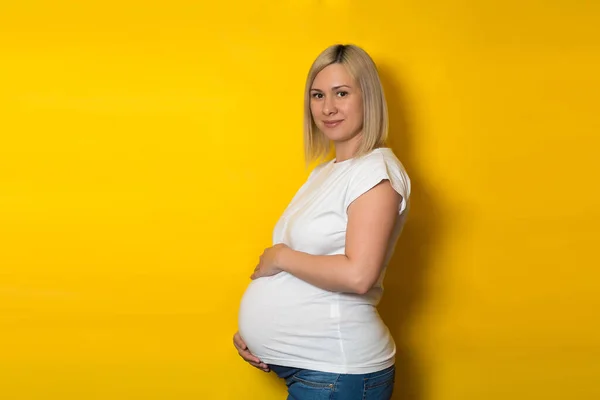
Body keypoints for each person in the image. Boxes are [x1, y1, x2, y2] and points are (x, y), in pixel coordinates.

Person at [233, 44, 411, 400]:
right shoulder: (324, 172)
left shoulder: (375, 172)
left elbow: (359, 275)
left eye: (341, 93)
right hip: (316, 371)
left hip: (337, 370)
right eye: (317, 95)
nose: (327, 108)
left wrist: (280, 256)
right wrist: (255, 333)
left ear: (368, 99)